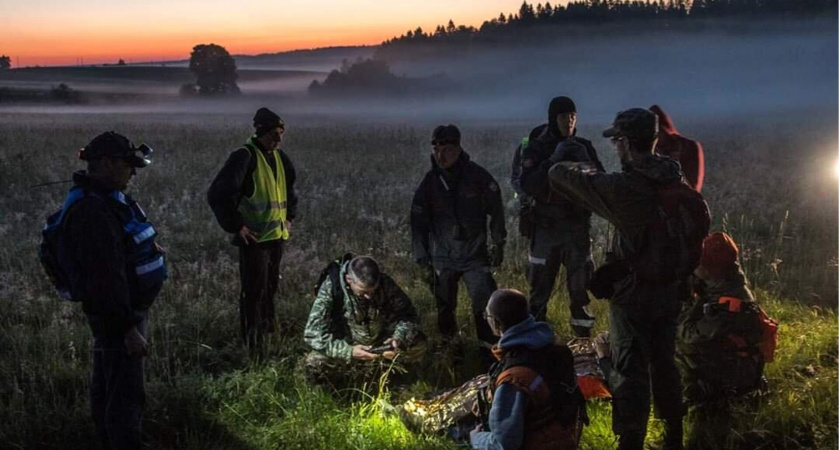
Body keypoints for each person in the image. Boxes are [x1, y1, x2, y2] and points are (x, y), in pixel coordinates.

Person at [547, 108, 692, 450]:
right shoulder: (674, 176)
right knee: (665, 364)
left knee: (630, 372)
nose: (615, 147)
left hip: (634, 295)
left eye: (617, 141)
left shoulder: (625, 188)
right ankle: (674, 436)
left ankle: (631, 441)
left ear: (626, 142)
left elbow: (558, 175)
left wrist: (574, 163)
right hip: (670, 290)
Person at [57, 131, 166, 449]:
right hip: (119, 316)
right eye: (127, 165)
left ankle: (108, 439)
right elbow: (104, 279)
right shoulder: (92, 211)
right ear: (106, 164)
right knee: (125, 391)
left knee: (109, 380)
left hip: (119, 313)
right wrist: (128, 328)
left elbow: (114, 257)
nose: (133, 172)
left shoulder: (102, 200)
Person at [207, 107, 298, 350]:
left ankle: (268, 333)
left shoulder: (280, 157)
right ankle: (253, 344)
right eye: (273, 134)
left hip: (276, 237)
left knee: (270, 288)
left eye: (281, 133)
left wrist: (290, 217)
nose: (278, 139)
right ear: (260, 133)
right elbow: (218, 194)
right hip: (255, 240)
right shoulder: (244, 156)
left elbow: (290, 191)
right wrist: (237, 227)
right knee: (253, 293)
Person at [411, 124, 507, 352]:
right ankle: (451, 352)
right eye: (436, 150)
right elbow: (418, 225)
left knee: (484, 307)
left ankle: (490, 353)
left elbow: (497, 209)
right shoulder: (430, 184)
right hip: (444, 257)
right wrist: (422, 259)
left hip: (475, 256)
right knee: (444, 307)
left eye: (445, 150)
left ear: (457, 148)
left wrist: (498, 243)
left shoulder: (478, 177)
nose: (440, 155)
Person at [518, 96, 605, 337]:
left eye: (573, 116)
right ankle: (536, 343)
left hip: (577, 228)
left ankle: (583, 342)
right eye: (564, 116)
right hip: (545, 228)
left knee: (581, 291)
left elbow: (600, 182)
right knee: (539, 293)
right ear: (553, 118)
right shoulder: (536, 147)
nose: (570, 121)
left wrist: (584, 161)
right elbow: (528, 184)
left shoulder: (583, 146)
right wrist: (553, 160)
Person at [470, 289, 584, 450]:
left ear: (495, 323)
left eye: (486, 316)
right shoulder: (556, 351)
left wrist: (477, 438)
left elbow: (504, 444)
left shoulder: (515, 378)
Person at [302, 255, 425, 384]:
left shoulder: (385, 283)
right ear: (348, 279)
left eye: (373, 291)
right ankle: (339, 393)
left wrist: (398, 339)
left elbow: (409, 316)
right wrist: (348, 351)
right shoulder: (331, 288)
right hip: (347, 343)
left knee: (418, 344)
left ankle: (400, 384)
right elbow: (312, 334)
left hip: (380, 343)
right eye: (363, 292)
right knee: (315, 362)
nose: (368, 296)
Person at [677, 232, 769, 404]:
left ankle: (701, 394)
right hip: (740, 365)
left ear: (710, 268)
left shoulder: (730, 303)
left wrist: (690, 302)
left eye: (699, 264)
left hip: (736, 375)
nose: (695, 268)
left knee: (671, 342)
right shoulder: (728, 283)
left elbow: (688, 334)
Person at [650, 104, 705, 192]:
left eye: (657, 132)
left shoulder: (689, 147)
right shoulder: (648, 151)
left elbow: (694, 185)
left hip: (685, 200)